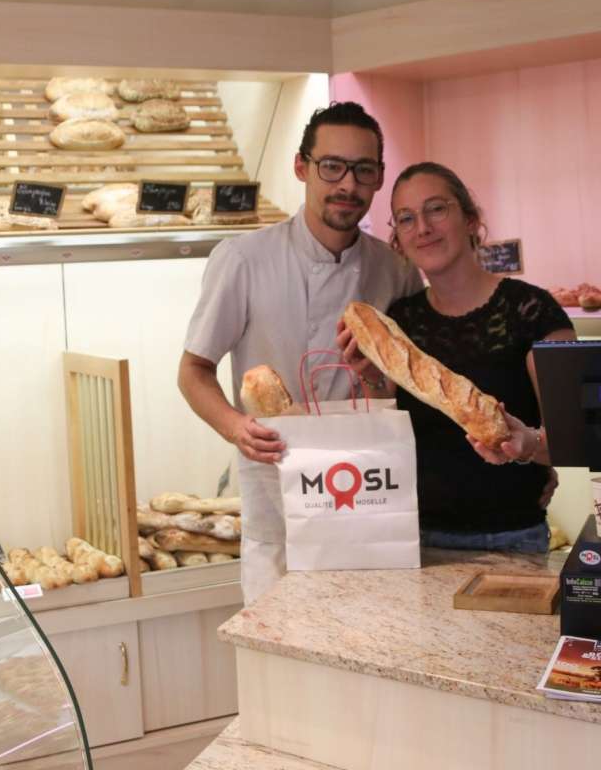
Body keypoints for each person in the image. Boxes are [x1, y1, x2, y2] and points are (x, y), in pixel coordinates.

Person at [178, 102, 422, 604]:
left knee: (369, 635)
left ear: (378, 177)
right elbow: (193, 371)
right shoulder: (243, 259)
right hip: (277, 487)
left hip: (370, 493)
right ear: (301, 167)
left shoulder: (395, 271)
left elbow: (405, 383)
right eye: (331, 166)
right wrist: (234, 425)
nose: (347, 185)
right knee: (281, 652)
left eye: (364, 170)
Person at [338, 161, 575, 553]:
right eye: (406, 218)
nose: (423, 228)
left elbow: (576, 439)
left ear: (470, 219)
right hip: (417, 539)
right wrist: (371, 376)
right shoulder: (400, 321)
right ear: (398, 239)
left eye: (436, 209)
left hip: (513, 537)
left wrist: (530, 445)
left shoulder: (532, 310)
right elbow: (380, 439)